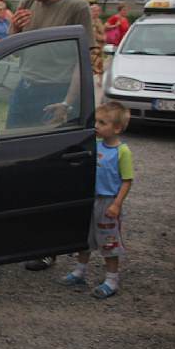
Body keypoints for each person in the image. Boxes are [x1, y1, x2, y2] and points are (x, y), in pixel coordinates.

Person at [9, 0, 93, 271]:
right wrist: (13, 29)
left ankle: (46, 246)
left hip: (54, 93)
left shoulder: (76, 8)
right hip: (25, 90)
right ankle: (14, 233)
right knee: (14, 163)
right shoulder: (28, 2)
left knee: (48, 171)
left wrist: (68, 103)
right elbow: (13, 48)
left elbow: (80, 60)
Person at [59, 102, 133, 299]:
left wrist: (117, 204)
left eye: (103, 122)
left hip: (107, 203)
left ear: (117, 128)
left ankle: (111, 279)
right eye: (96, 121)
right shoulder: (96, 145)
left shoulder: (122, 152)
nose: (97, 126)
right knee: (84, 236)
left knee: (108, 241)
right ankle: (80, 271)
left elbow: (127, 181)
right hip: (89, 199)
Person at [90, 3, 107, 103]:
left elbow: (103, 31)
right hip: (93, 47)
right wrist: (102, 37)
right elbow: (94, 34)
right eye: (94, 11)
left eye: (97, 11)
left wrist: (104, 37)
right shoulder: (90, 22)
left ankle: (100, 80)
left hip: (100, 47)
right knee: (93, 65)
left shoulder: (99, 21)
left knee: (100, 64)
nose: (96, 13)